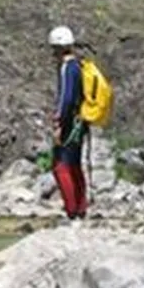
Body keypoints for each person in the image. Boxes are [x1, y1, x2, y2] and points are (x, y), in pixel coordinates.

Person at [48, 25, 88, 220]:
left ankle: (72, 211)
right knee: (74, 165)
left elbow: (66, 98)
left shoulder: (66, 68)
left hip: (70, 123)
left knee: (60, 166)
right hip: (80, 122)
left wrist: (58, 125)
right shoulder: (79, 66)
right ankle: (81, 208)